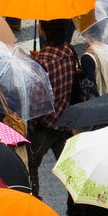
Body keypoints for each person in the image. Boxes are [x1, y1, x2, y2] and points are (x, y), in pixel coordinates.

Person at [28, 18, 76, 197]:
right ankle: (81, 206)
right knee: (71, 172)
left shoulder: (42, 62)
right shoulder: (69, 51)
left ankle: (34, 202)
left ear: (44, 30)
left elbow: (38, 103)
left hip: (45, 126)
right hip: (65, 120)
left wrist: (30, 127)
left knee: (31, 164)